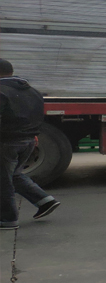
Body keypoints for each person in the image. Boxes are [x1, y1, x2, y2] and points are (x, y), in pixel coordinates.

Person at [1, 58, 60, 230]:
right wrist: (33, 134)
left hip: (6, 141)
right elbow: (37, 115)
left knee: (3, 181)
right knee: (13, 175)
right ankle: (44, 201)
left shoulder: (1, 91)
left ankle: (7, 219)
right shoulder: (32, 91)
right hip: (28, 140)